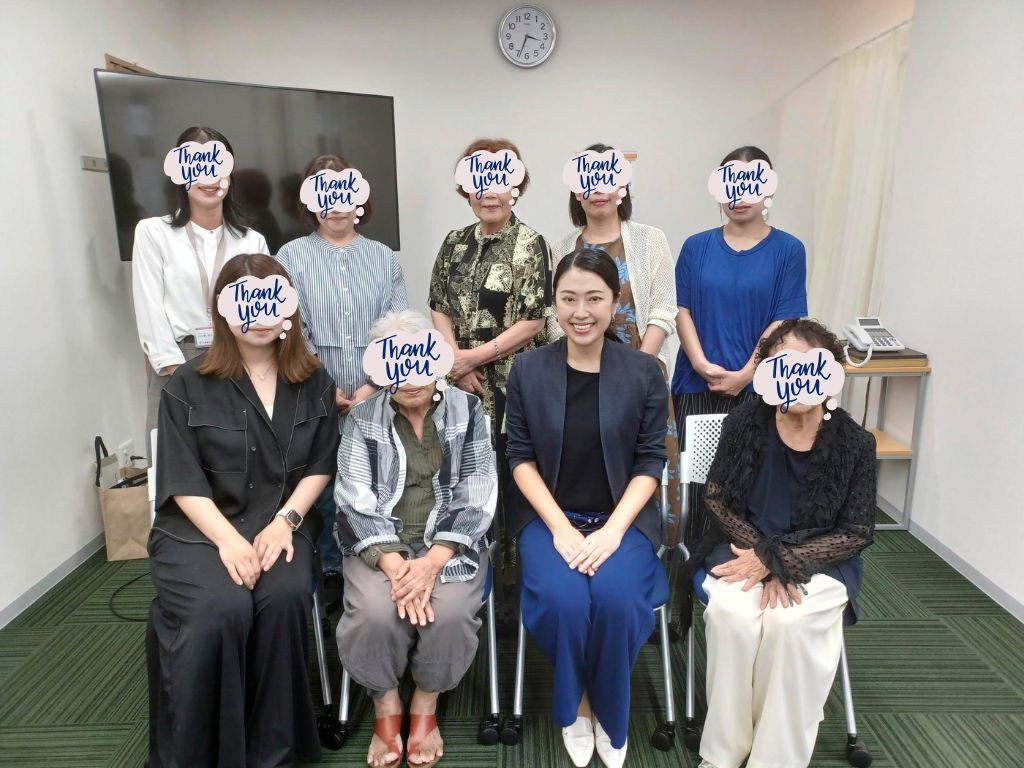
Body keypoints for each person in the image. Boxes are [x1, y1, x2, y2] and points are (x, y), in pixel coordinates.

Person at [147, 254, 340, 768]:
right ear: (222, 309)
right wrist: (229, 541)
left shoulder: (315, 380)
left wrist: (286, 521)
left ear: (288, 307)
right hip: (198, 528)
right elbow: (181, 479)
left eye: (271, 299)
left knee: (283, 598)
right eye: (245, 300)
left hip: (283, 521)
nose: (259, 315)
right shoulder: (187, 383)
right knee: (221, 609)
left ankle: (274, 754)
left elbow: (321, 465)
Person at [686, 318, 876, 768]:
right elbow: (717, 499)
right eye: (782, 363)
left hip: (822, 558)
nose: (795, 373)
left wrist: (781, 559)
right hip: (741, 546)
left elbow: (856, 531)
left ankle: (775, 758)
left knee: (788, 625)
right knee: (733, 616)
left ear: (829, 372)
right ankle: (724, 753)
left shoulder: (855, 442)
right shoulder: (744, 423)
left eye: (807, 363)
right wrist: (763, 555)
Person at [505, 249, 668, 768]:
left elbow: (650, 461)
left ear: (615, 301)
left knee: (617, 601)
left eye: (594, 298)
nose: (581, 312)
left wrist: (613, 532)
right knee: (566, 602)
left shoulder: (644, 371)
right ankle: (577, 706)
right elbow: (519, 457)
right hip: (550, 519)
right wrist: (560, 529)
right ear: (554, 303)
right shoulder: (528, 369)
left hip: (623, 521)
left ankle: (608, 712)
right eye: (568, 298)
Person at [334, 311, 497, 768]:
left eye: (419, 361)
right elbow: (353, 499)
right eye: (397, 365)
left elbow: (478, 491)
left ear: (437, 359)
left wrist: (430, 563)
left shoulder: (469, 410)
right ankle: (385, 703)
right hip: (378, 544)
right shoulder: (362, 417)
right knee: (374, 611)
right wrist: (395, 566)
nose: (410, 377)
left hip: (449, 544)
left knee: (450, 612)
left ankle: (426, 701)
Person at [428, 137, 553, 625]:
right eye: (478, 182)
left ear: (516, 185)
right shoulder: (454, 242)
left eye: (499, 181)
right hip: (459, 387)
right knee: (465, 484)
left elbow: (535, 319)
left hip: (514, 388)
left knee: (513, 483)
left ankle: (514, 596)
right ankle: (467, 586)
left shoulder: (531, 244)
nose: (489, 192)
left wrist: (474, 357)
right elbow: (439, 305)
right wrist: (455, 361)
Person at [277, 153, 409, 609]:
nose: (335, 205)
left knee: (375, 477)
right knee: (324, 479)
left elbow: (397, 324)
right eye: (323, 193)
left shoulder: (383, 257)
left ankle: (376, 554)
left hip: (379, 391)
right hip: (311, 389)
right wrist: (322, 385)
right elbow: (291, 327)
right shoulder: (290, 257)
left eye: (344, 193)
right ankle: (332, 567)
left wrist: (373, 384)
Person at [672, 145, 807, 549]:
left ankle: (750, 561)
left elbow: (785, 320)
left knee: (752, 485)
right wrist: (700, 363)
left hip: (760, 389)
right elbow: (681, 309)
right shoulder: (696, 246)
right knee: (697, 488)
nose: (740, 195)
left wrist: (748, 373)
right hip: (696, 385)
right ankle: (691, 571)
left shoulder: (788, 250)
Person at [551, 141, 681, 538]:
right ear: (576, 192)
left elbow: (663, 310)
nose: (597, 190)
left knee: (646, 464)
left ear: (622, 186)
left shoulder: (649, 239)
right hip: (582, 378)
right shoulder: (562, 248)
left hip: (644, 372)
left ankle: (652, 553)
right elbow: (555, 320)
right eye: (587, 182)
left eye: (606, 180)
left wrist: (637, 369)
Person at [133, 126, 269, 440]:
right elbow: (149, 308)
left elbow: (263, 316)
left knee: (242, 459)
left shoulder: (252, 241)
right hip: (177, 362)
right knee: (173, 460)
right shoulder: (153, 233)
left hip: (240, 361)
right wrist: (178, 372)